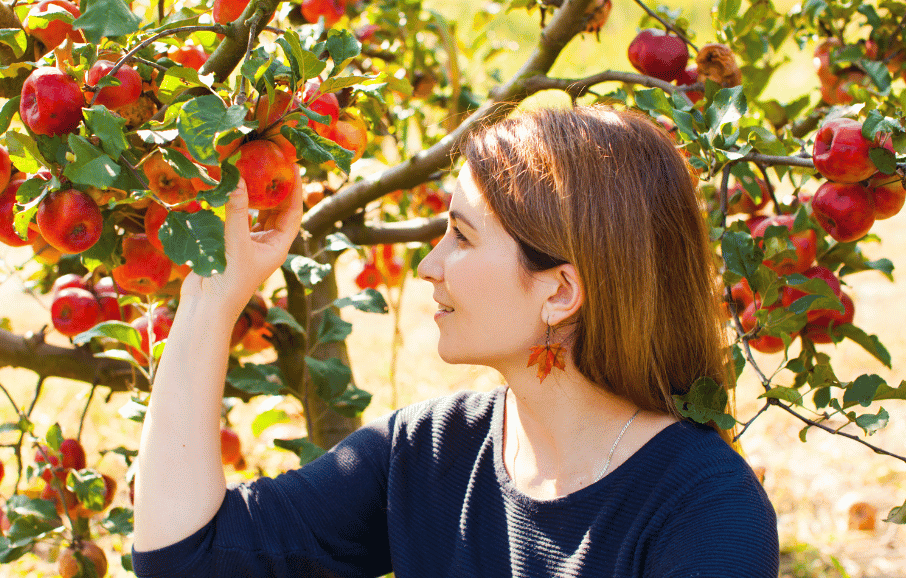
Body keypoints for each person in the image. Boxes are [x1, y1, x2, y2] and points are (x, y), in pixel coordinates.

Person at [131, 106, 780, 577]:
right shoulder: (430, 453)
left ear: (559, 292)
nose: (428, 265)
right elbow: (186, 559)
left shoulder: (704, 512)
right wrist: (213, 295)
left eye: (461, 237)